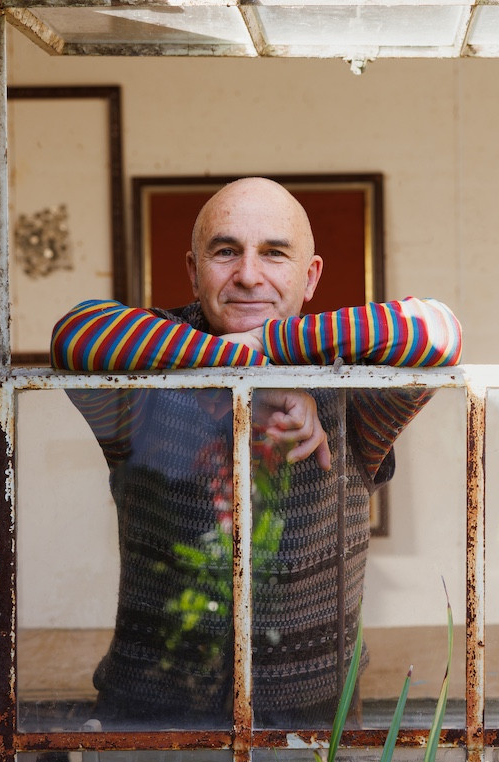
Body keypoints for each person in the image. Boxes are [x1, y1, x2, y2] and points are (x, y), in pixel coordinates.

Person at [51, 177, 462, 731]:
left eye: (274, 253)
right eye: (226, 252)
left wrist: (267, 355)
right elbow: (76, 334)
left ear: (310, 276)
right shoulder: (144, 379)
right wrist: (236, 376)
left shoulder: (351, 387)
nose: (248, 274)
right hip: (149, 733)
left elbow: (436, 333)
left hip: (315, 735)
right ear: (194, 272)